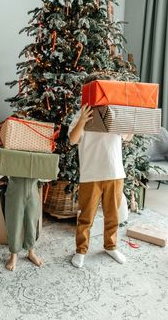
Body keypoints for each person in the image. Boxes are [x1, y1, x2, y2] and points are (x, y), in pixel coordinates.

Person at [68, 104, 128, 268]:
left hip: (114, 172)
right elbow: (73, 139)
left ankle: (111, 246)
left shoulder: (116, 111)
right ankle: (81, 250)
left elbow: (128, 137)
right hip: (91, 174)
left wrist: (130, 123)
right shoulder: (83, 112)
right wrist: (82, 120)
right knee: (86, 216)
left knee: (113, 215)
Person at [0, 154, 43, 271]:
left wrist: (47, 163)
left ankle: (31, 252)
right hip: (15, 193)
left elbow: (46, 177)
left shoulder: (38, 150)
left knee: (32, 222)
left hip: (33, 192)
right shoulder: (11, 151)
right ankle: (13, 255)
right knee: (14, 223)